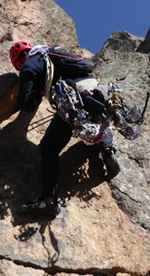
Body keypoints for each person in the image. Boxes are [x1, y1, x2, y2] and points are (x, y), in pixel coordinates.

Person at [9, 41, 120, 215]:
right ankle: (107, 150)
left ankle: (49, 201)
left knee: (49, 148)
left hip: (71, 100)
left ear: (18, 61)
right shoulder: (54, 53)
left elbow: (27, 104)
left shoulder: (29, 66)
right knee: (98, 119)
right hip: (94, 88)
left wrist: (35, 93)